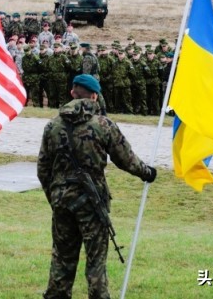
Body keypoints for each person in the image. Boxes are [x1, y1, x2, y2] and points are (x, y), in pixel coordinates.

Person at [37, 74, 157, 299]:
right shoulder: (103, 125)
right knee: (96, 261)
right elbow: (127, 159)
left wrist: (55, 196)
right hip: (92, 201)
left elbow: (43, 168)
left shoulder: (52, 126)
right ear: (94, 96)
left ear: (73, 93)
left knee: (62, 258)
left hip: (62, 200)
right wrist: (147, 173)